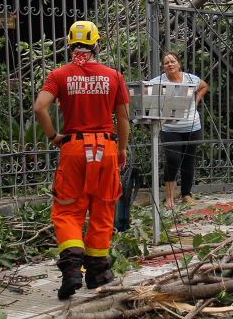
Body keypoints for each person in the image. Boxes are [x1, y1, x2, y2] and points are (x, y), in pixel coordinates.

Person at [34, 20, 130, 300]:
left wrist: (54, 136)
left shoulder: (59, 74)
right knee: (102, 211)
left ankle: (72, 271)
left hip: (74, 149)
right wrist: (121, 150)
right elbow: (123, 117)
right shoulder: (113, 76)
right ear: (96, 45)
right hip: (106, 149)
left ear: (69, 44)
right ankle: (98, 274)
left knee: (68, 211)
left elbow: (40, 107)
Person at [149, 51, 207, 209]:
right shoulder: (158, 81)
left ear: (179, 64)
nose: (170, 64)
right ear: (163, 66)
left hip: (192, 126)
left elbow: (203, 86)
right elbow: (145, 92)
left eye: (173, 61)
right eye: (166, 62)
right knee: (173, 160)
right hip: (169, 127)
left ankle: (186, 195)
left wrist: (196, 102)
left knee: (188, 161)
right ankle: (169, 197)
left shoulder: (191, 79)